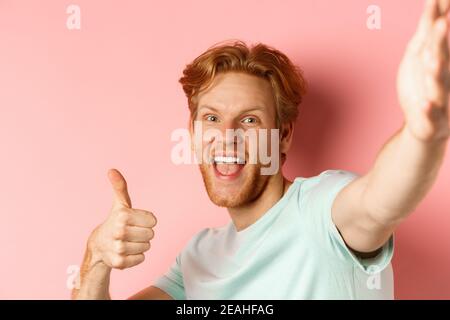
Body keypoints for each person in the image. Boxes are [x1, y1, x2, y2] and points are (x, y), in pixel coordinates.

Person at [72, 0, 450, 299]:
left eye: (249, 120)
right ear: (192, 132)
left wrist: (423, 132)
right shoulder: (200, 256)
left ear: (283, 136)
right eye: (212, 119)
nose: (227, 137)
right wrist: (97, 258)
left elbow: (380, 201)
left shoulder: (320, 210)